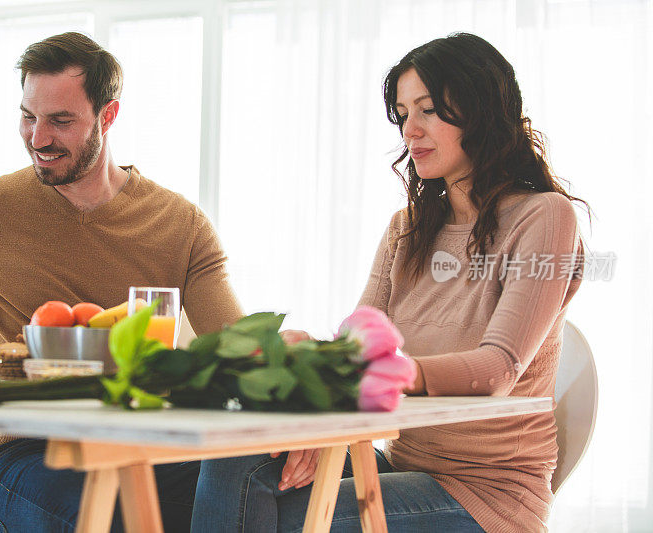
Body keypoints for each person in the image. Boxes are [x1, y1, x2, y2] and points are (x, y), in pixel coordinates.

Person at [190, 32, 586, 533]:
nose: (411, 130)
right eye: (403, 114)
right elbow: (356, 347)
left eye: (428, 110)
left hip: (485, 494)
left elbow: (498, 369)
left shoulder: (543, 217)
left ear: (482, 111)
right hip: (400, 463)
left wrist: (378, 372)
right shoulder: (408, 228)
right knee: (239, 448)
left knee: (282, 515)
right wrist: (317, 370)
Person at [0, 32, 245, 531]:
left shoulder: (179, 224)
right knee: (112, 513)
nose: (38, 138)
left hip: (151, 449)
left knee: (269, 484)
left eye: (61, 121)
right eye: (28, 116)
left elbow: (235, 347)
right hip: (27, 455)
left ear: (108, 116)